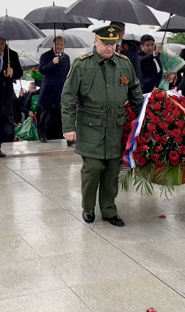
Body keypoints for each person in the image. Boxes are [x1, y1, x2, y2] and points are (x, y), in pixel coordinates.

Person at [61, 25, 144, 227]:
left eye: (113, 44)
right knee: (93, 167)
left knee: (112, 170)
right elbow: (68, 97)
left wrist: (144, 121)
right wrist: (68, 127)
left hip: (116, 125)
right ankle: (88, 207)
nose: (109, 48)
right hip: (91, 124)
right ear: (96, 41)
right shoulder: (82, 65)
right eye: (105, 43)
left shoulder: (125, 64)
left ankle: (108, 210)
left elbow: (135, 93)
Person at [37, 36, 71, 144]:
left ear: (64, 45)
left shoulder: (66, 57)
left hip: (61, 89)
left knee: (64, 113)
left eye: (61, 44)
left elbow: (66, 73)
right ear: (53, 44)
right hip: (48, 89)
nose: (59, 47)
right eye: (57, 44)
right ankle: (42, 135)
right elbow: (42, 70)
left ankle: (66, 136)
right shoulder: (45, 56)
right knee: (45, 113)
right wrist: (52, 63)